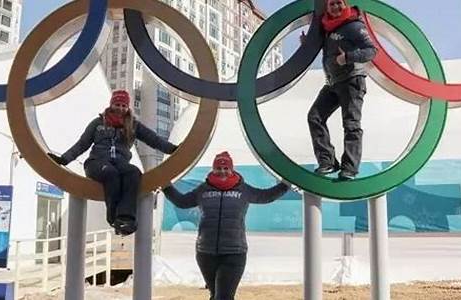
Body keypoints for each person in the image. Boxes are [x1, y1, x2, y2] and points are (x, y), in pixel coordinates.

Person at [161, 151, 289, 300]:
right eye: (218, 168)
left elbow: (265, 196)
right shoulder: (204, 189)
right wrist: (166, 186)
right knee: (215, 295)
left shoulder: (243, 189)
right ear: (213, 169)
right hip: (205, 253)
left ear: (231, 169)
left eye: (226, 168)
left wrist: (285, 185)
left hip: (234, 253)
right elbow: (182, 202)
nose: (222, 171)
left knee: (223, 297)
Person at [48, 90, 177, 236]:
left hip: (120, 163)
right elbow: (82, 144)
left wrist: (172, 149)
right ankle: (113, 217)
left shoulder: (133, 125)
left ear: (128, 107)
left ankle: (126, 217)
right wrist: (64, 159)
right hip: (97, 163)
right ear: (111, 105)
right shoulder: (98, 123)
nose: (120, 108)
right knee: (111, 174)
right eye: (117, 104)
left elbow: (153, 139)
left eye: (123, 105)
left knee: (133, 172)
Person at [301, 0, 377, 180]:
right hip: (333, 83)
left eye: (338, 3)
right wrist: (307, 43)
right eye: (331, 4)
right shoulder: (328, 28)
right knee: (315, 117)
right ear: (326, 8)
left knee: (351, 124)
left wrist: (349, 57)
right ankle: (327, 162)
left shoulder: (353, 25)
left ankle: (350, 168)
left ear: (345, 4)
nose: (335, 7)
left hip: (352, 80)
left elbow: (372, 50)